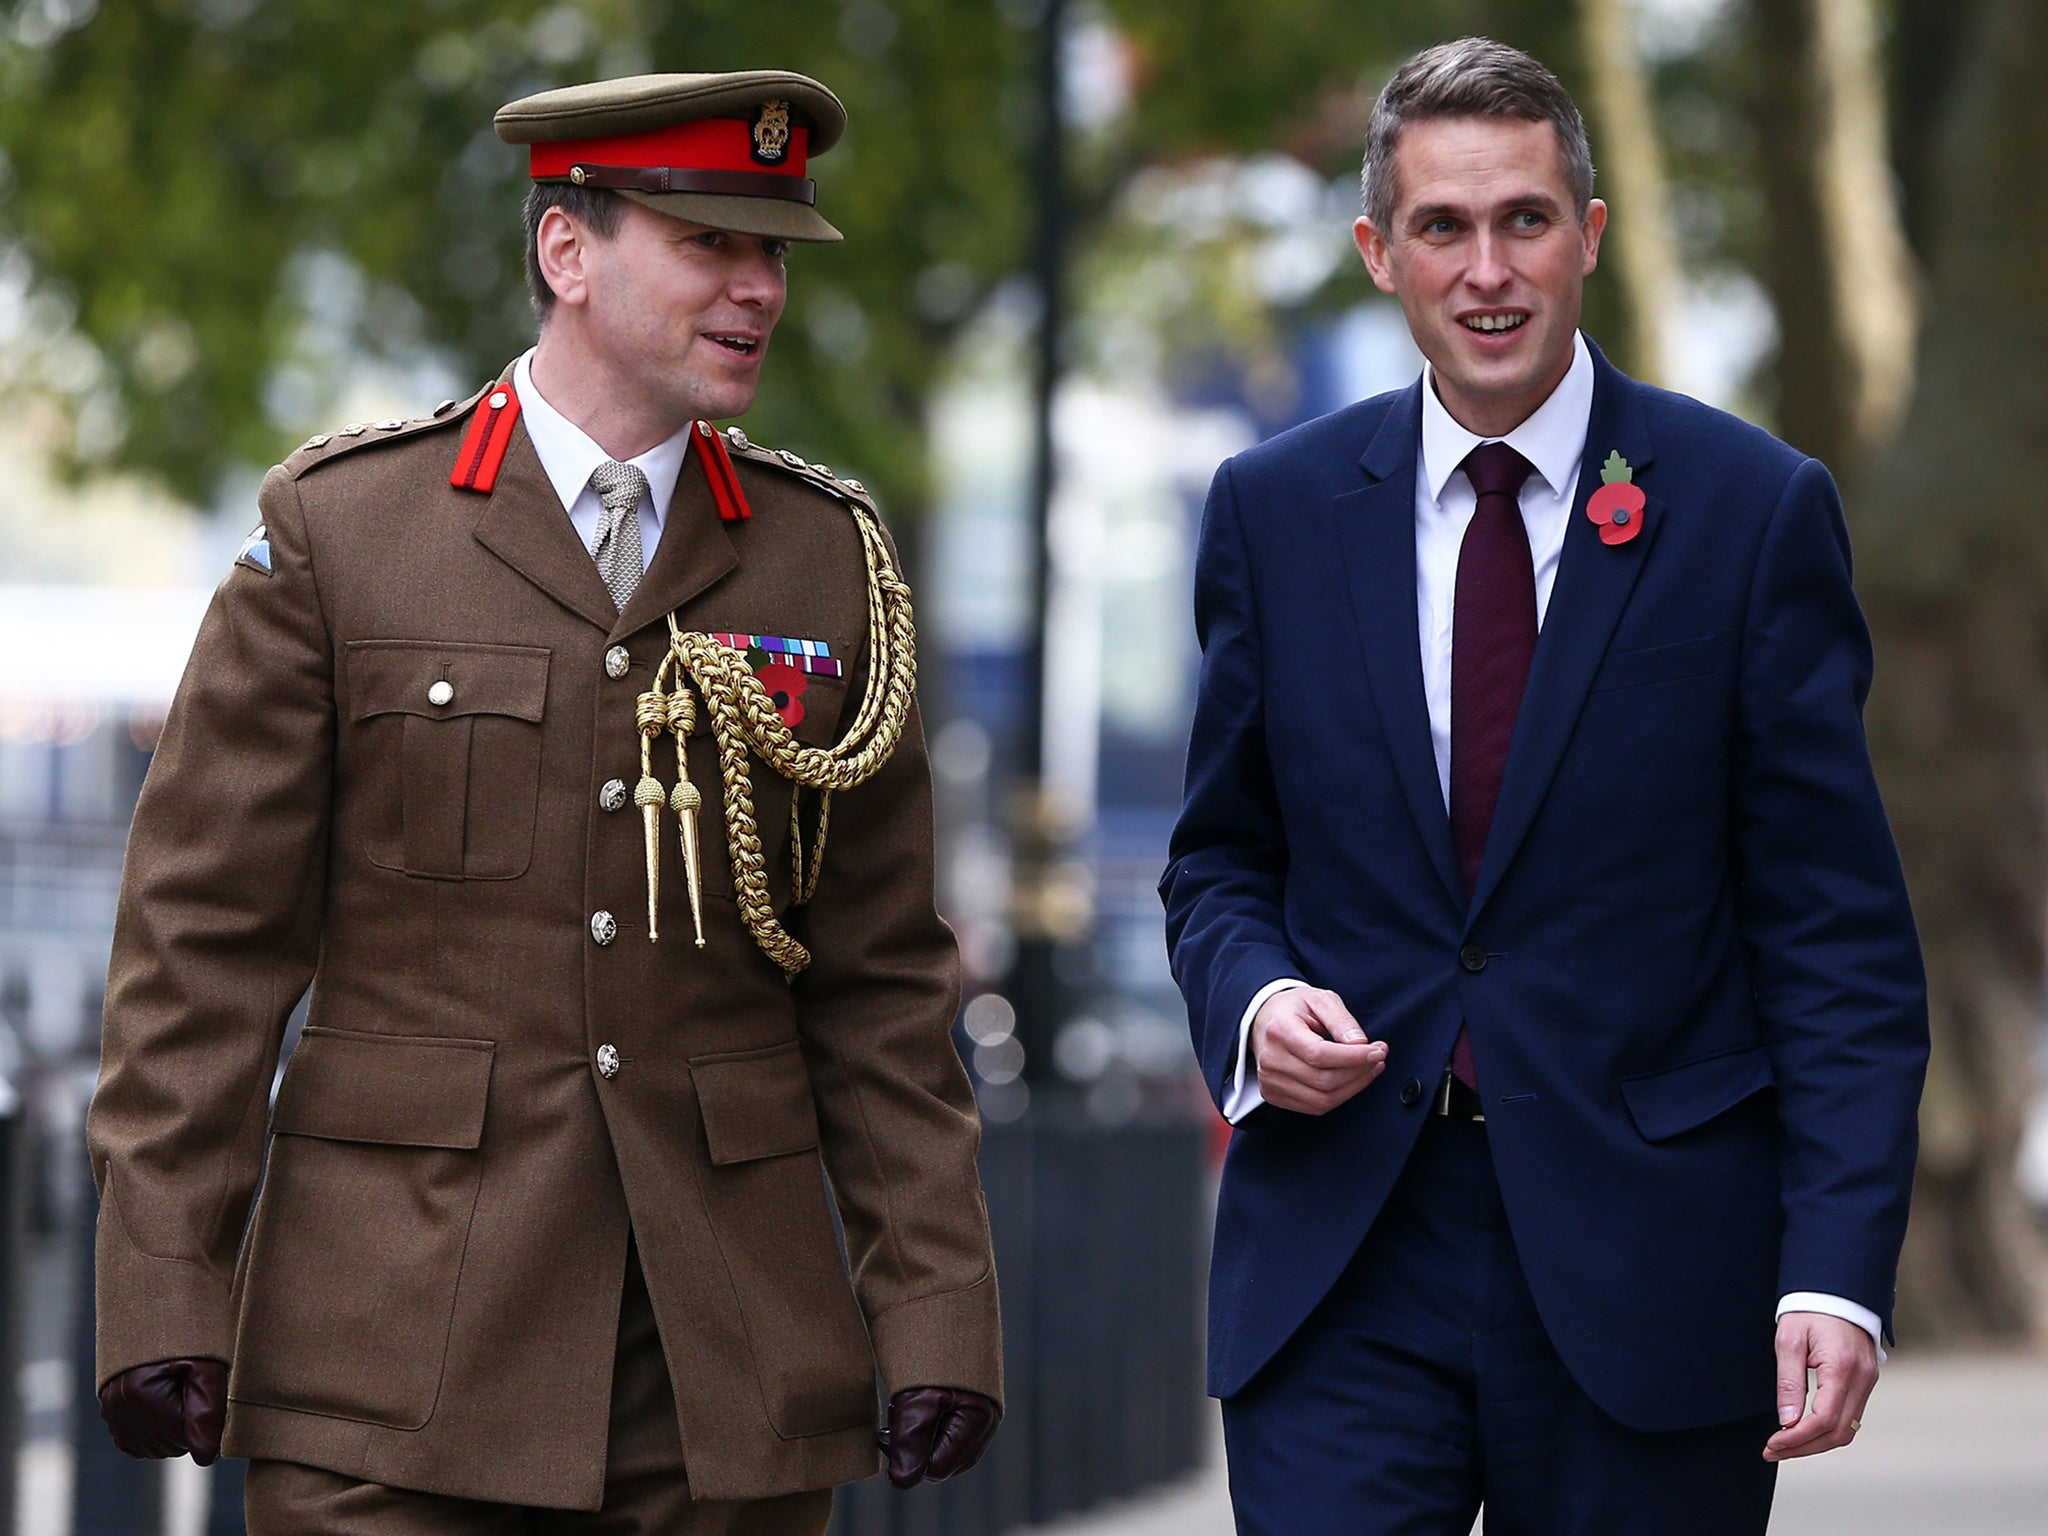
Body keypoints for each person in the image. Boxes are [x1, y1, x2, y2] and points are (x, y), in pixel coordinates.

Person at [88, 70, 1001, 1535]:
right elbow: (201, 948)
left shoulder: (828, 560)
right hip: (390, 1356)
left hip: (721, 1375)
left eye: (772, 251)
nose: (758, 286)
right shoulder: (347, 530)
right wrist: (161, 1286)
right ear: (568, 251)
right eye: (710, 242)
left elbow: (883, 985)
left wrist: (939, 1307)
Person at [1160, 36, 1927, 1535]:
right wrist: (1252, 1004)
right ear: (1381, 252)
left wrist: (1835, 1267)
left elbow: (1834, 934)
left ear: (1592, 232)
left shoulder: (1754, 513)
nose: (1487, 268)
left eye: (1523, 218)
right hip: (1344, 1263)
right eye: (1443, 227)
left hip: (1653, 1277)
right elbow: (1219, 861)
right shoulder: (1277, 511)